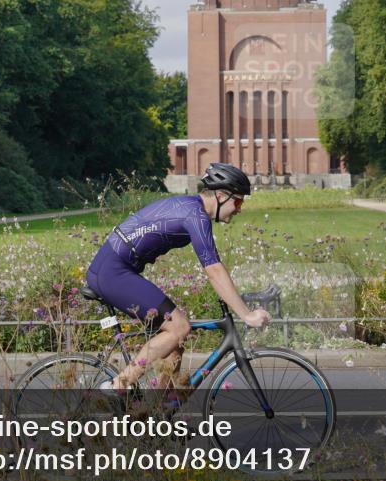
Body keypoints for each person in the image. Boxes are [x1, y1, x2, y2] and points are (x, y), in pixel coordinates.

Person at [86, 163, 271, 393]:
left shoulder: (191, 208)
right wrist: (246, 314)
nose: (239, 209)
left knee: (175, 344)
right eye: (238, 201)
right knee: (179, 328)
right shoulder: (195, 215)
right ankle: (118, 386)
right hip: (112, 272)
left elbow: (213, 267)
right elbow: (213, 269)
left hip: (116, 268)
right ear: (221, 195)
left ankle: (161, 414)